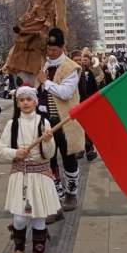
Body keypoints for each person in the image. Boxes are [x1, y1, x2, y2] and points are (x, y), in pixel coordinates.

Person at [0, 86, 59, 253]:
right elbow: (1, 149)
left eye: (29, 99)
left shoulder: (45, 122)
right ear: (17, 103)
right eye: (21, 100)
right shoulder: (12, 124)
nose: (25, 103)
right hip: (20, 174)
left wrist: (48, 140)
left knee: (39, 217)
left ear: (35, 102)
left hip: (40, 174)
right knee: (20, 217)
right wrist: (16, 152)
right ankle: (18, 249)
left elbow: (50, 154)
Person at [36, 28, 85, 223]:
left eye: (55, 49)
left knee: (68, 157)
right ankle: (55, 199)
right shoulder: (43, 64)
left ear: (63, 47)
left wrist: (45, 82)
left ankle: (71, 194)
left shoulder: (71, 67)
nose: (51, 52)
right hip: (45, 122)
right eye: (49, 49)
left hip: (65, 122)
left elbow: (65, 93)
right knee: (49, 159)